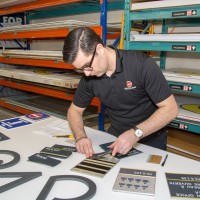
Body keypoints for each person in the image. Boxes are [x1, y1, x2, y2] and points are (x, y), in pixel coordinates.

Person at [62, 27, 178, 158]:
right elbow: (74, 111)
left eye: (87, 66)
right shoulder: (89, 77)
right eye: (80, 69)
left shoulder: (142, 65)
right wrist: (80, 137)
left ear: (99, 50)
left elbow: (171, 109)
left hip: (149, 139)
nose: (86, 73)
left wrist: (135, 133)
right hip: (116, 138)